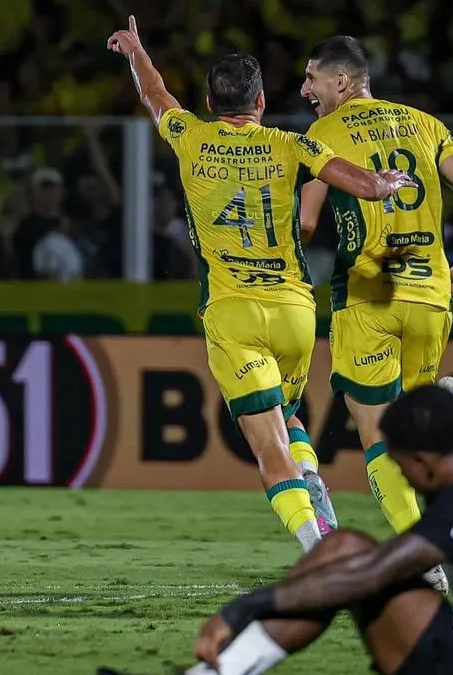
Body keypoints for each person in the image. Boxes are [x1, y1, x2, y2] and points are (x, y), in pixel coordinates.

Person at [107, 17, 417, 552]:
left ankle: (319, 545)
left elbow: (156, 96)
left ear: (209, 101)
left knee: (267, 447)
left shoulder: (191, 138)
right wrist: (384, 183)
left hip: (233, 314)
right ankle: (313, 482)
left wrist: (137, 52)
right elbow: (360, 183)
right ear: (262, 101)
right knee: (288, 417)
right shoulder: (290, 146)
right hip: (295, 313)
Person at [99, 384, 453, 675]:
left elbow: (372, 572)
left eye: (402, 470)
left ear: (424, 462)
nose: (407, 483)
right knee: (350, 553)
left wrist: (244, 608)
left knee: (353, 554)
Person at [297, 36, 453, 589]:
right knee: (415, 432)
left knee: (378, 437)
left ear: (342, 82)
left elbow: (308, 224)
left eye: (312, 78)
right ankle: (438, 420)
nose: (305, 89)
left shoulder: (322, 135)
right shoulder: (427, 124)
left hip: (368, 296)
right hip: (431, 297)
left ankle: (427, 559)